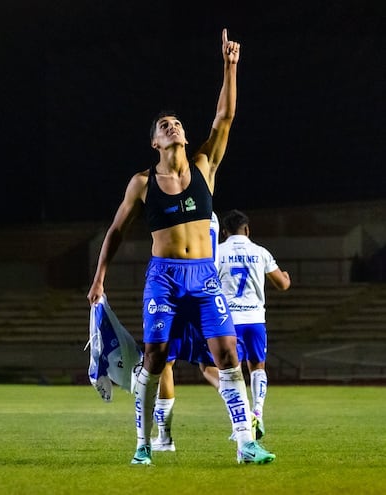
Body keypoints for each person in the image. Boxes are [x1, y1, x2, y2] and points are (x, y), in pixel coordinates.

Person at [87, 28, 275, 466]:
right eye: (163, 126)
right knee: (154, 358)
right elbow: (115, 232)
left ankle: (246, 441)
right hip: (164, 278)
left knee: (227, 352)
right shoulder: (143, 183)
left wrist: (230, 66)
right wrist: (99, 276)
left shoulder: (205, 165)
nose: (172, 126)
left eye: (176, 124)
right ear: (155, 142)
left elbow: (224, 118)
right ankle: (142, 444)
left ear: (185, 137)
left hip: (205, 277)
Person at [216, 209, 291, 440]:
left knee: (232, 373)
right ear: (247, 229)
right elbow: (282, 285)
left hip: (229, 322)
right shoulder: (260, 252)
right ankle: (257, 411)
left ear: (224, 232)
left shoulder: (217, 252)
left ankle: (241, 423)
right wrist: (286, 276)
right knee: (257, 367)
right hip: (255, 320)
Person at [151, 212, 220, 452]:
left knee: (164, 364)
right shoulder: (211, 215)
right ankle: (241, 418)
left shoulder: (177, 209)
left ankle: (165, 438)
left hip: (177, 285)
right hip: (206, 289)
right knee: (210, 366)